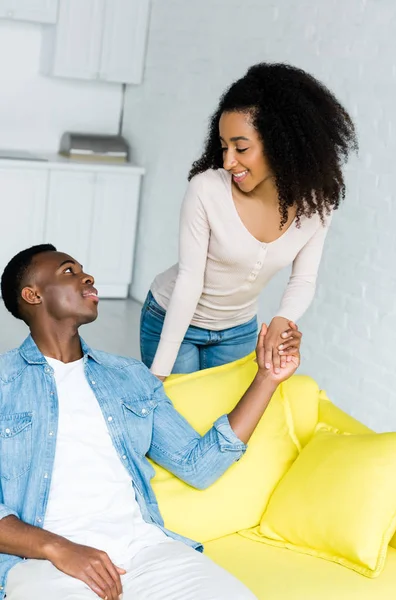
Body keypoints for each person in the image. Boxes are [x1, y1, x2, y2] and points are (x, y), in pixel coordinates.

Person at [0, 244, 302, 600]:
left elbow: (198, 465)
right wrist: (58, 548)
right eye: (68, 271)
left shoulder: (129, 376)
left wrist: (267, 378)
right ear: (32, 294)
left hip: (145, 552)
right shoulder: (5, 381)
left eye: (83, 269)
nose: (87, 276)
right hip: (44, 564)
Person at [140, 62, 357, 381]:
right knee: (178, 421)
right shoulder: (207, 189)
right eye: (224, 147)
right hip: (173, 321)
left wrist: (285, 317)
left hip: (239, 332)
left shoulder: (316, 205)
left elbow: (303, 279)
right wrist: (159, 374)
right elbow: (190, 279)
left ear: (281, 143)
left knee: (227, 425)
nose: (228, 161)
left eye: (241, 148)